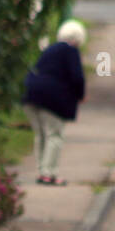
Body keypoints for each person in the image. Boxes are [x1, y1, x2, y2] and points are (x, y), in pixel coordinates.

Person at [23, 20, 87, 186]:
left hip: (30, 94)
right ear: (79, 38)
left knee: (41, 135)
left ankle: (41, 170)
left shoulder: (50, 49)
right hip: (51, 98)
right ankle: (49, 174)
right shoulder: (71, 51)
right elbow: (77, 77)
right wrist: (80, 95)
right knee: (55, 135)